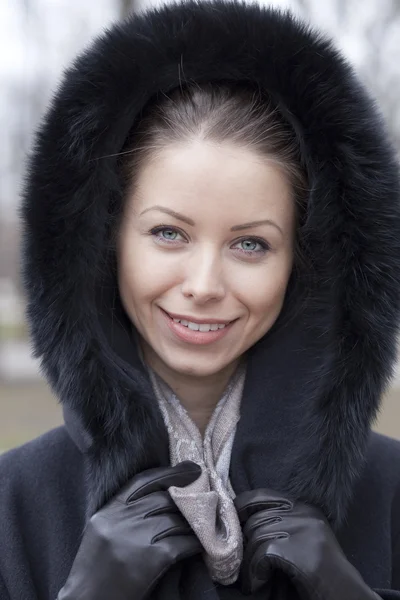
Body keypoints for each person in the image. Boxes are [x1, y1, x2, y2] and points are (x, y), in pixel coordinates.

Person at [1, 0, 400, 598]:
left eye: (250, 243)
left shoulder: (390, 489)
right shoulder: (15, 498)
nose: (205, 284)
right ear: (105, 240)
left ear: (306, 264)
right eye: (169, 233)